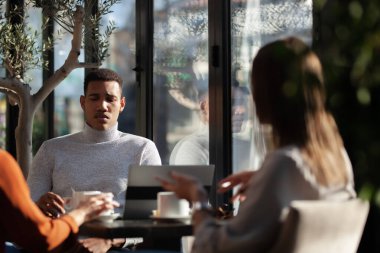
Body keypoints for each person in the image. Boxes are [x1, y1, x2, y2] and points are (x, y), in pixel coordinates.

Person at [158, 37, 357, 253]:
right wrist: (263, 179)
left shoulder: (283, 165)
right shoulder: (337, 160)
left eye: (254, 87)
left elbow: (213, 248)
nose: (246, 104)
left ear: (269, 93)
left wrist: (198, 199)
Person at [27, 68, 161, 252]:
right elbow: (27, 212)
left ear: (122, 104)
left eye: (110, 99)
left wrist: (108, 242)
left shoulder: (142, 149)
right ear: (83, 102)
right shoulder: (51, 149)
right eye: (94, 98)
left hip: (117, 247)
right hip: (62, 243)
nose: (102, 106)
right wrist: (38, 207)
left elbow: (149, 219)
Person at [0, 149, 118, 253]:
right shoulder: (3, 163)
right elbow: (41, 238)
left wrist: (111, 241)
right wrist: (83, 212)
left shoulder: (136, 146)